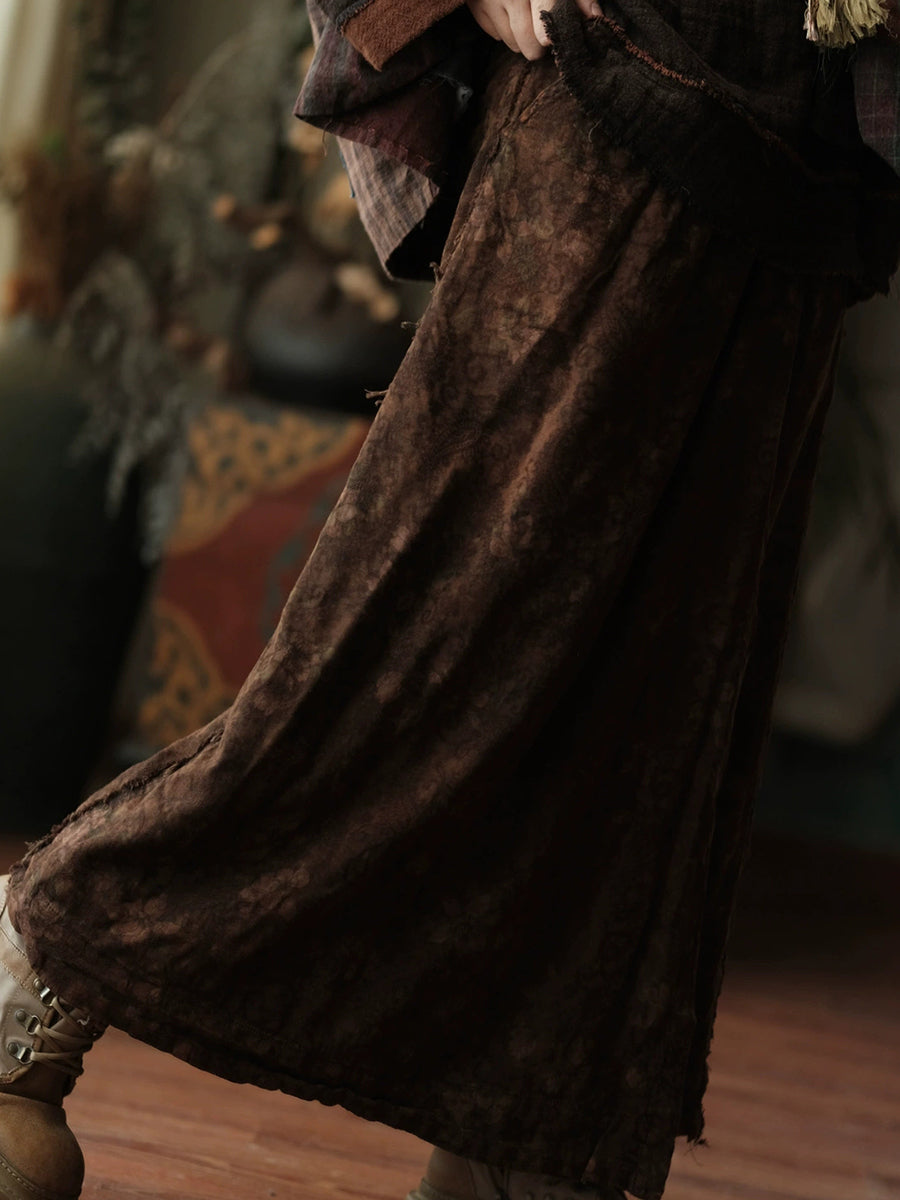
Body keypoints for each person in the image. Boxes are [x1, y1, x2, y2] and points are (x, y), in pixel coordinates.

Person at [1, 2, 899, 1199]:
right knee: (421, 647)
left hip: (804, 172)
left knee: (656, 703)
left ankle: (520, 1135)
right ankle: (42, 959)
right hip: (612, 98)